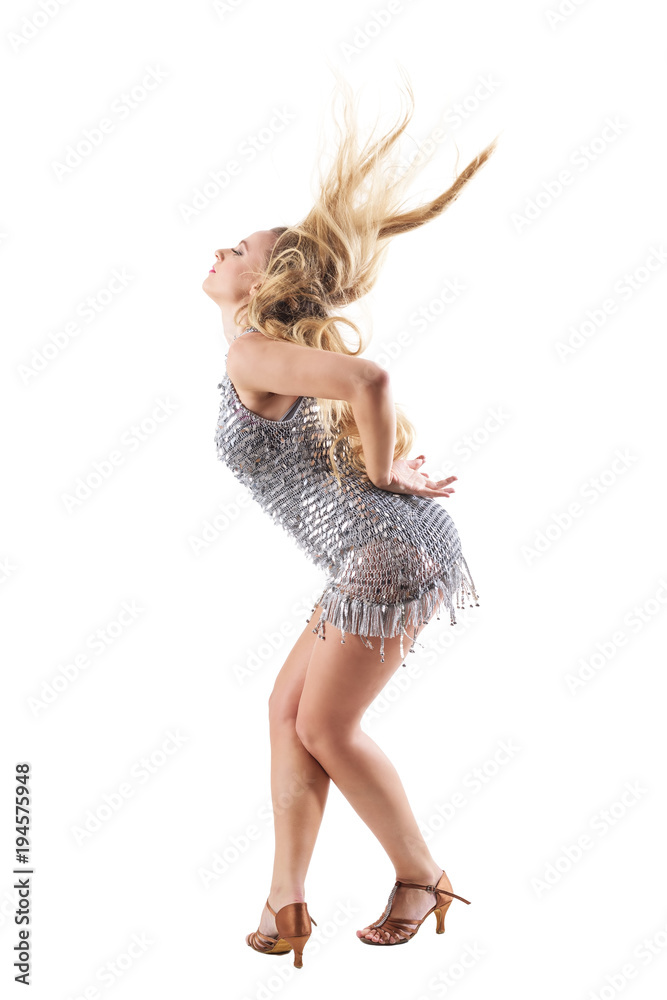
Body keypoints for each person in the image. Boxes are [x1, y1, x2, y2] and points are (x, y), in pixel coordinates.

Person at [203, 76, 497, 968]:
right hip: (375, 552)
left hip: (387, 552)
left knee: (324, 728)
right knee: (286, 711)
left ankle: (420, 875)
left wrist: (377, 473)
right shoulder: (266, 354)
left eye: (239, 248)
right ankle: (285, 897)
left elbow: (368, 381)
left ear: (266, 280)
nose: (221, 250)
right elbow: (354, 394)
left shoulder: (253, 351)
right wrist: (377, 473)